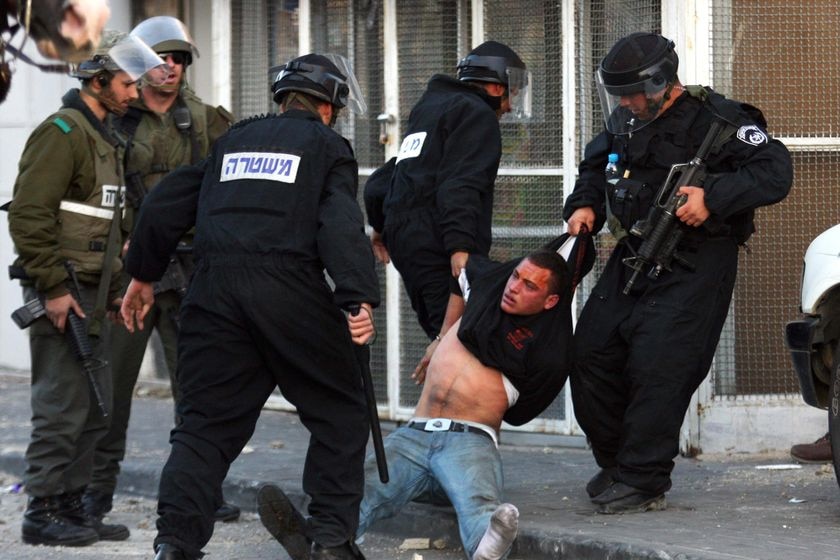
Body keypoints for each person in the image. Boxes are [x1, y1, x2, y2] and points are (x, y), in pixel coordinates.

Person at [118, 53, 380, 560]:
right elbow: (340, 222)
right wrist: (356, 297)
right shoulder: (328, 146)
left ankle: (174, 544)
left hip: (213, 292)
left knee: (204, 427)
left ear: (283, 100)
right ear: (329, 106)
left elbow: (165, 202)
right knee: (340, 412)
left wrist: (143, 276)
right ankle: (329, 540)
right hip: (289, 288)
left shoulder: (231, 141)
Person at [562, 32, 793, 514]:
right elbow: (595, 163)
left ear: (662, 81)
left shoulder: (722, 120)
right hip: (635, 251)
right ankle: (620, 464)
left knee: (659, 365)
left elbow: (774, 171)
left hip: (698, 261)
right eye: (619, 94)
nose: (626, 103)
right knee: (590, 351)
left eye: (633, 92)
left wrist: (713, 198)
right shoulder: (626, 120)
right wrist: (584, 206)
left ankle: (644, 478)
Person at [257, 239, 590, 560]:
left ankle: (487, 546)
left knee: (479, 502)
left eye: (530, 286)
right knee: (362, 489)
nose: (514, 286)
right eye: (516, 275)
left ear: (550, 302)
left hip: (469, 441)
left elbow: (525, 410)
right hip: (413, 436)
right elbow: (460, 271)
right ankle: (320, 544)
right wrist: (443, 335)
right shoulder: (488, 288)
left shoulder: (549, 353)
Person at [6, 31, 166, 546]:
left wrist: (120, 289)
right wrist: (52, 288)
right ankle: (43, 511)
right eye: (126, 83)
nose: (135, 92)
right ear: (98, 82)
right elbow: (29, 215)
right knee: (61, 406)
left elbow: (108, 225)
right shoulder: (63, 132)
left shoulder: (105, 136)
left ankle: (73, 506)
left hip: (99, 297)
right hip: (66, 296)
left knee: (95, 405)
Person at [83, 15, 237, 527]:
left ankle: (199, 493)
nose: (169, 68)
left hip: (192, 271)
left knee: (197, 391)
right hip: (130, 275)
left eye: (178, 59)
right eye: (159, 58)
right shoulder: (113, 115)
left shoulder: (210, 120)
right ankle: (95, 496)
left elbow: (226, 191)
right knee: (112, 386)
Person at [364, 40, 530, 340]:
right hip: (441, 246)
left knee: (443, 337)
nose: (508, 107)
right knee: (460, 343)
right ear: (495, 88)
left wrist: (379, 224)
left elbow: (386, 176)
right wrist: (460, 247)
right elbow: (461, 184)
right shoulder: (477, 115)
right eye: (511, 95)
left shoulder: (432, 108)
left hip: (407, 243)